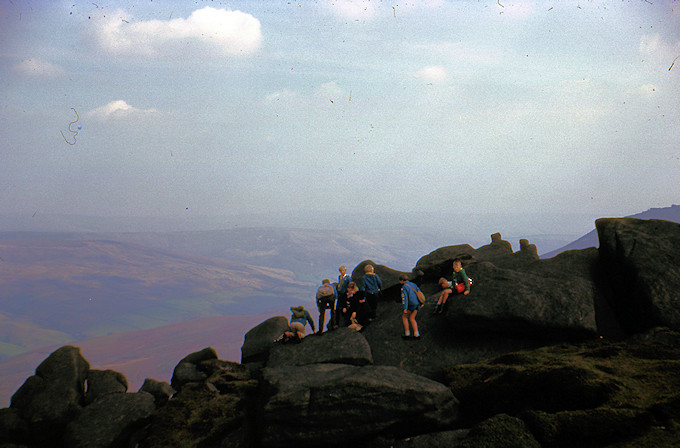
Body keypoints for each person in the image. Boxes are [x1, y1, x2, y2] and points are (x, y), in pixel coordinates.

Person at [399, 274, 422, 339]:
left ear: (401, 281)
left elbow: (404, 298)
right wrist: (421, 303)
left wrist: (405, 308)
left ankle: (407, 334)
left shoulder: (404, 287)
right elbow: (419, 292)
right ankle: (416, 334)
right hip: (416, 304)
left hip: (410, 305)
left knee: (404, 317)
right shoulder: (413, 284)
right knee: (412, 318)